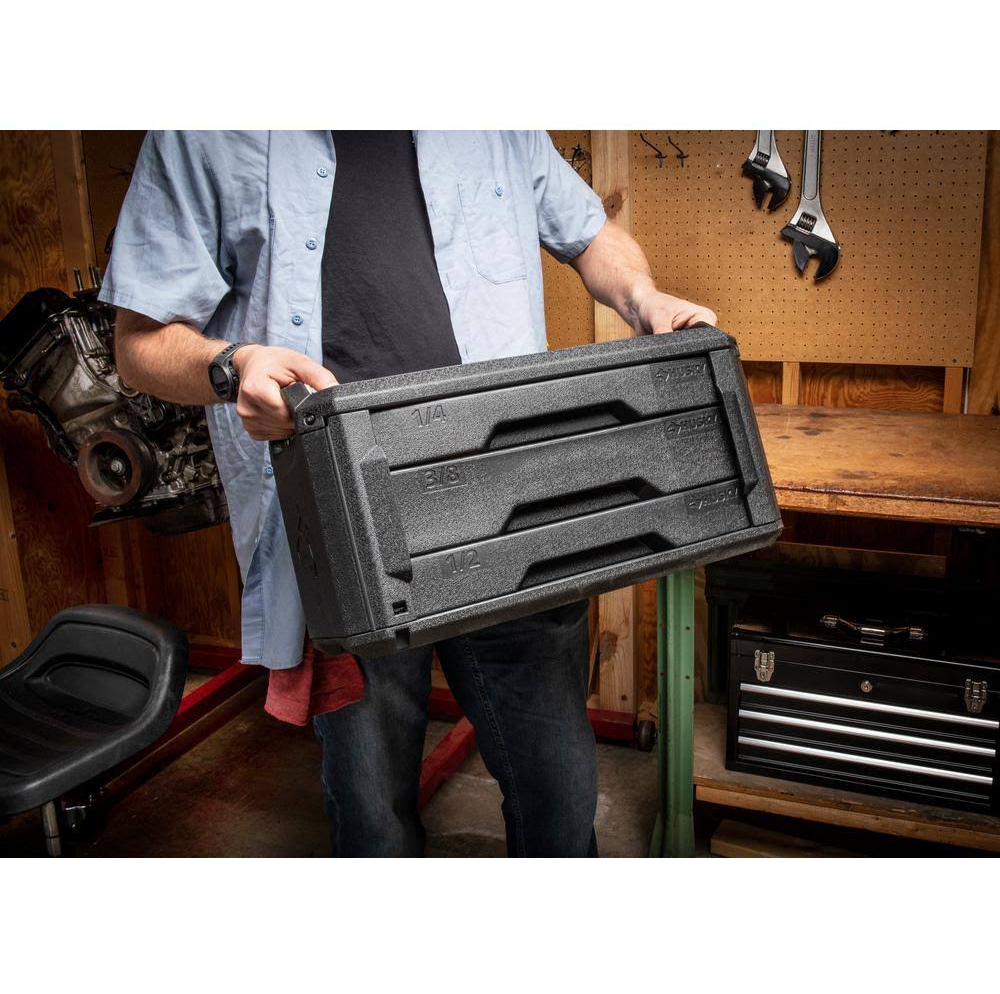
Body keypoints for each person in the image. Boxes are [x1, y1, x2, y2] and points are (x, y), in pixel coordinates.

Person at [102, 130, 717, 857]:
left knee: (557, 789)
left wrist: (642, 297)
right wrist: (233, 366)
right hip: (345, 523)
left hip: (515, 501)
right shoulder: (203, 130)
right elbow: (138, 342)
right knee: (372, 813)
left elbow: (589, 233)